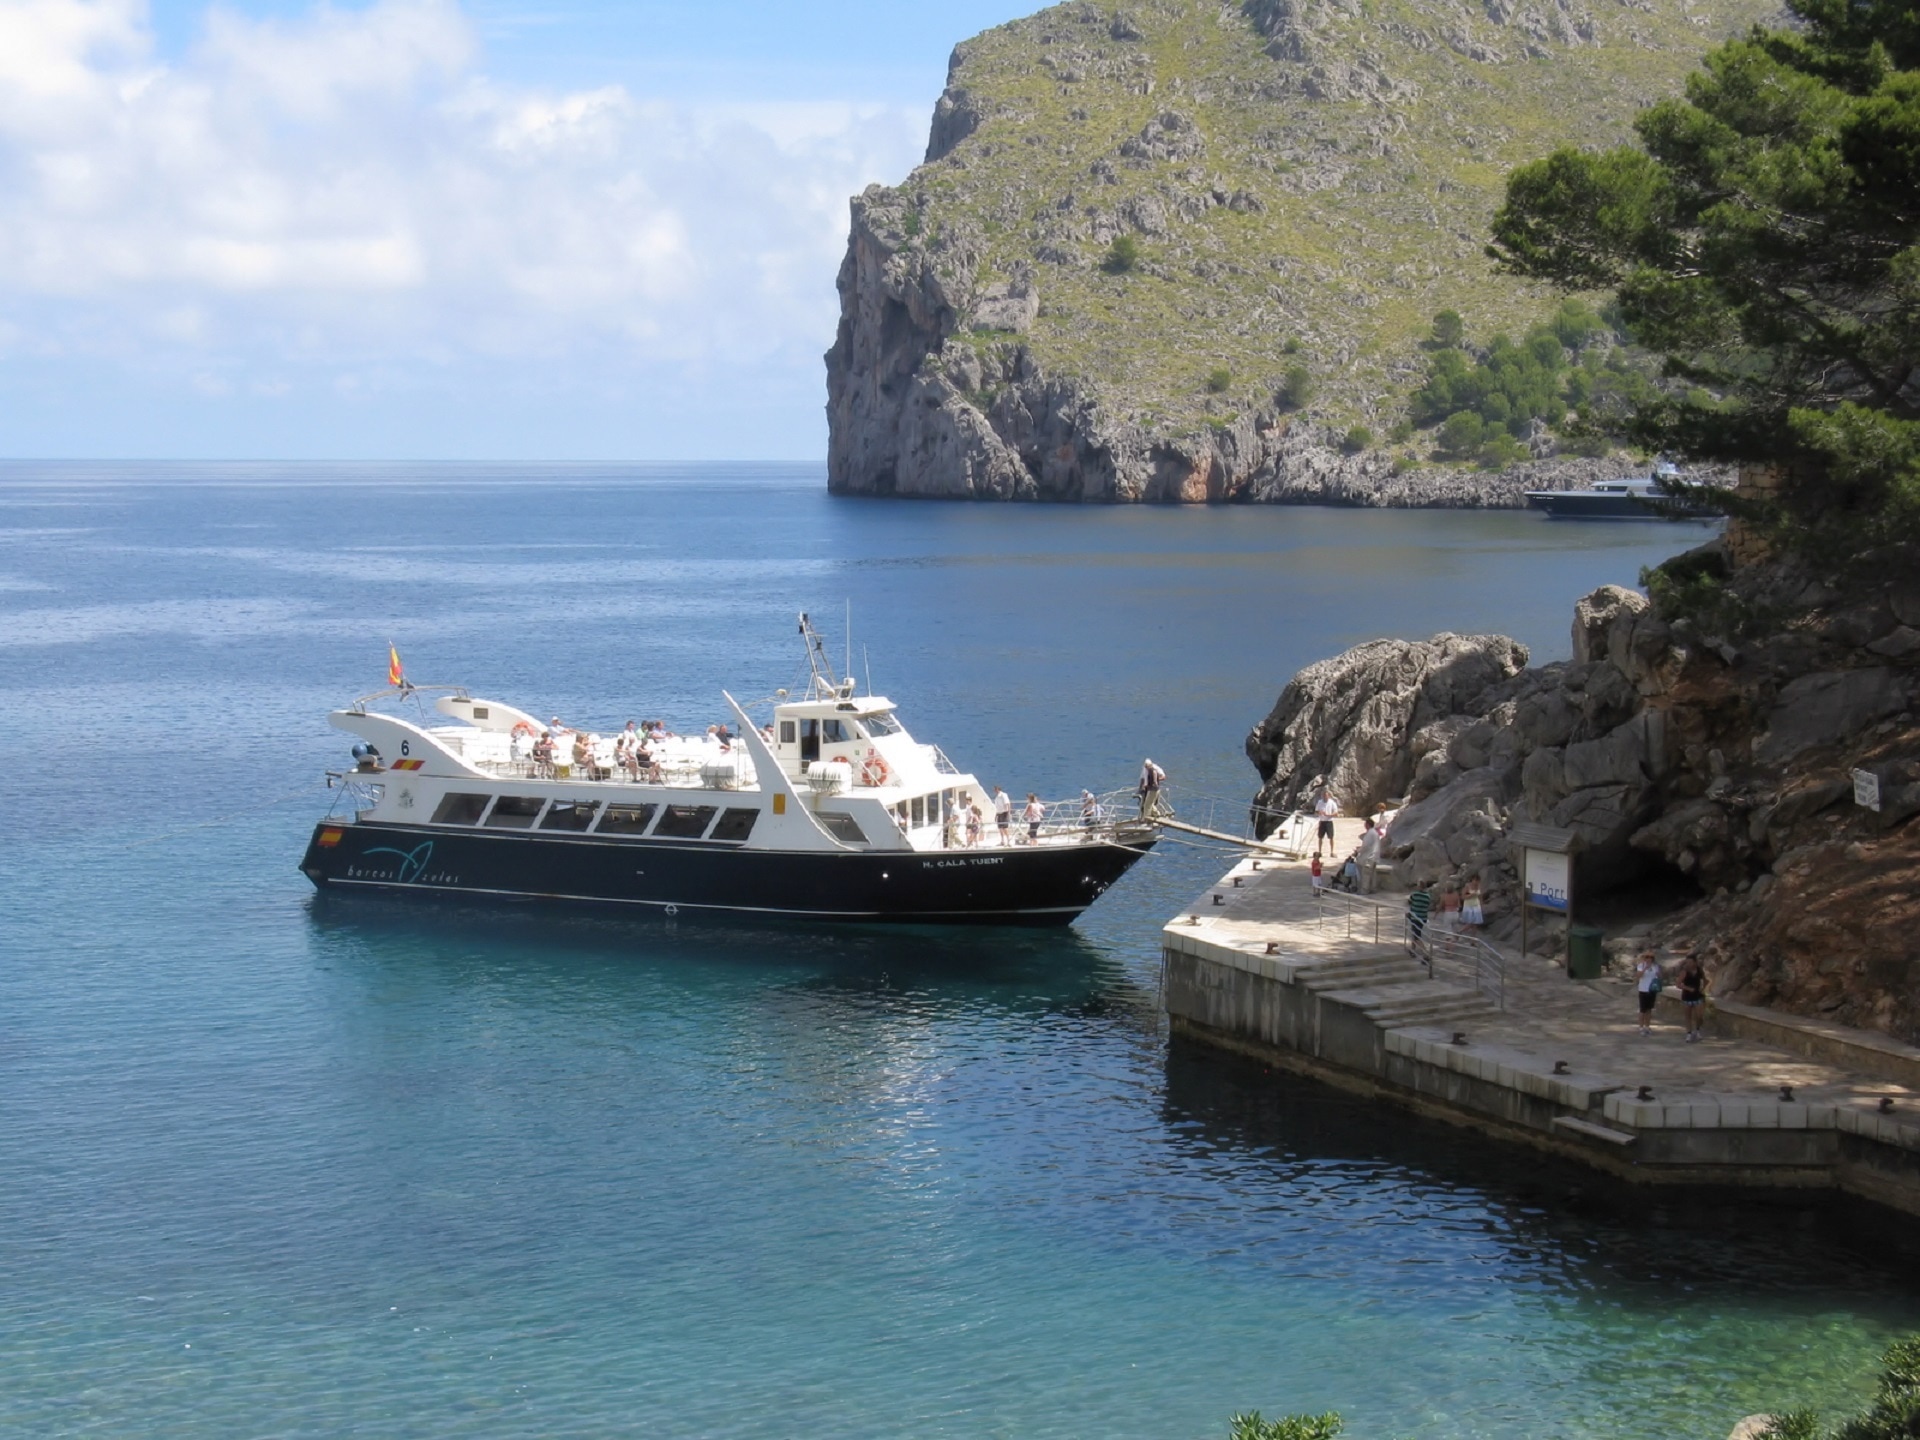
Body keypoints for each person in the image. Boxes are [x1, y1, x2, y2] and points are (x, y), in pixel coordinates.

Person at [1678, 949, 1708, 1041]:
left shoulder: (1699, 970)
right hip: (1687, 996)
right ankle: (1689, 1033)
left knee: (1699, 1015)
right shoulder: (1684, 972)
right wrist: (1688, 988)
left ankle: (1697, 1031)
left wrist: (1703, 988)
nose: (1689, 964)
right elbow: (1678, 984)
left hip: (1698, 995)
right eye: (1687, 962)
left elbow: (1705, 980)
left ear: (1695, 962)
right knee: (1688, 1016)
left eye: (1690, 962)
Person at [1634, 950, 1664, 1036]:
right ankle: (1641, 1027)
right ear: (1644, 958)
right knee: (1642, 1009)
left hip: (1652, 989)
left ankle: (1647, 1026)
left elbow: (1660, 977)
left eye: (1651, 957)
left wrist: (1659, 974)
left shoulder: (1655, 966)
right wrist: (1645, 968)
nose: (1649, 959)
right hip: (1643, 989)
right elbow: (1638, 976)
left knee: (1649, 1009)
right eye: (1647, 957)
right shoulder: (1641, 966)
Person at [1356, 820, 1382, 893]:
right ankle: (1373, 889)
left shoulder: (1370, 833)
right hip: (1374, 856)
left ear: (1367, 824)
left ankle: (1365, 890)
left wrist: (1358, 851)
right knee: (1372, 874)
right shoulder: (1374, 833)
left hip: (1369, 857)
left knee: (1366, 875)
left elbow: (1365, 846)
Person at [1313, 788, 1340, 856]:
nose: (1325, 797)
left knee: (1331, 837)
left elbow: (1336, 813)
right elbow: (1316, 811)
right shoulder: (1320, 802)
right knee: (1320, 837)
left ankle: (1332, 852)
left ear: (1329, 796)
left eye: (1326, 795)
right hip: (1322, 821)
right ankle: (1320, 851)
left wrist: (1329, 815)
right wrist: (1319, 812)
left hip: (1329, 821)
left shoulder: (1332, 803)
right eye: (1324, 795)